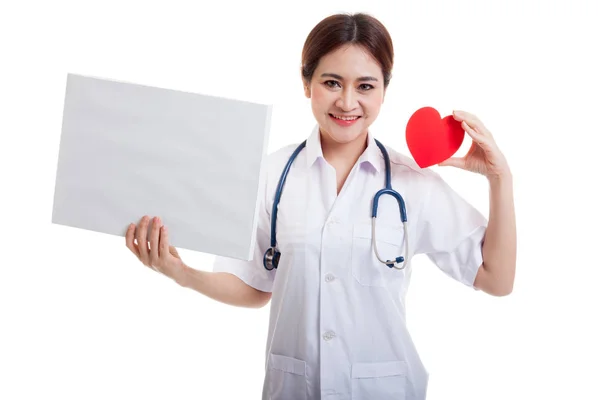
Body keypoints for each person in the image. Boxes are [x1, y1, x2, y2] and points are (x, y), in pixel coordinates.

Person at [125, 12, 516, 400]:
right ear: (306, 82)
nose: (348, 102)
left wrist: (500, 180)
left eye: (365, 86)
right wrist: (179, 272)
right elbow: (253, 287)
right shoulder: (271, 175)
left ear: (384, 90)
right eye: (332, 82)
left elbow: (496, 279)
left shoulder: (412, 183)